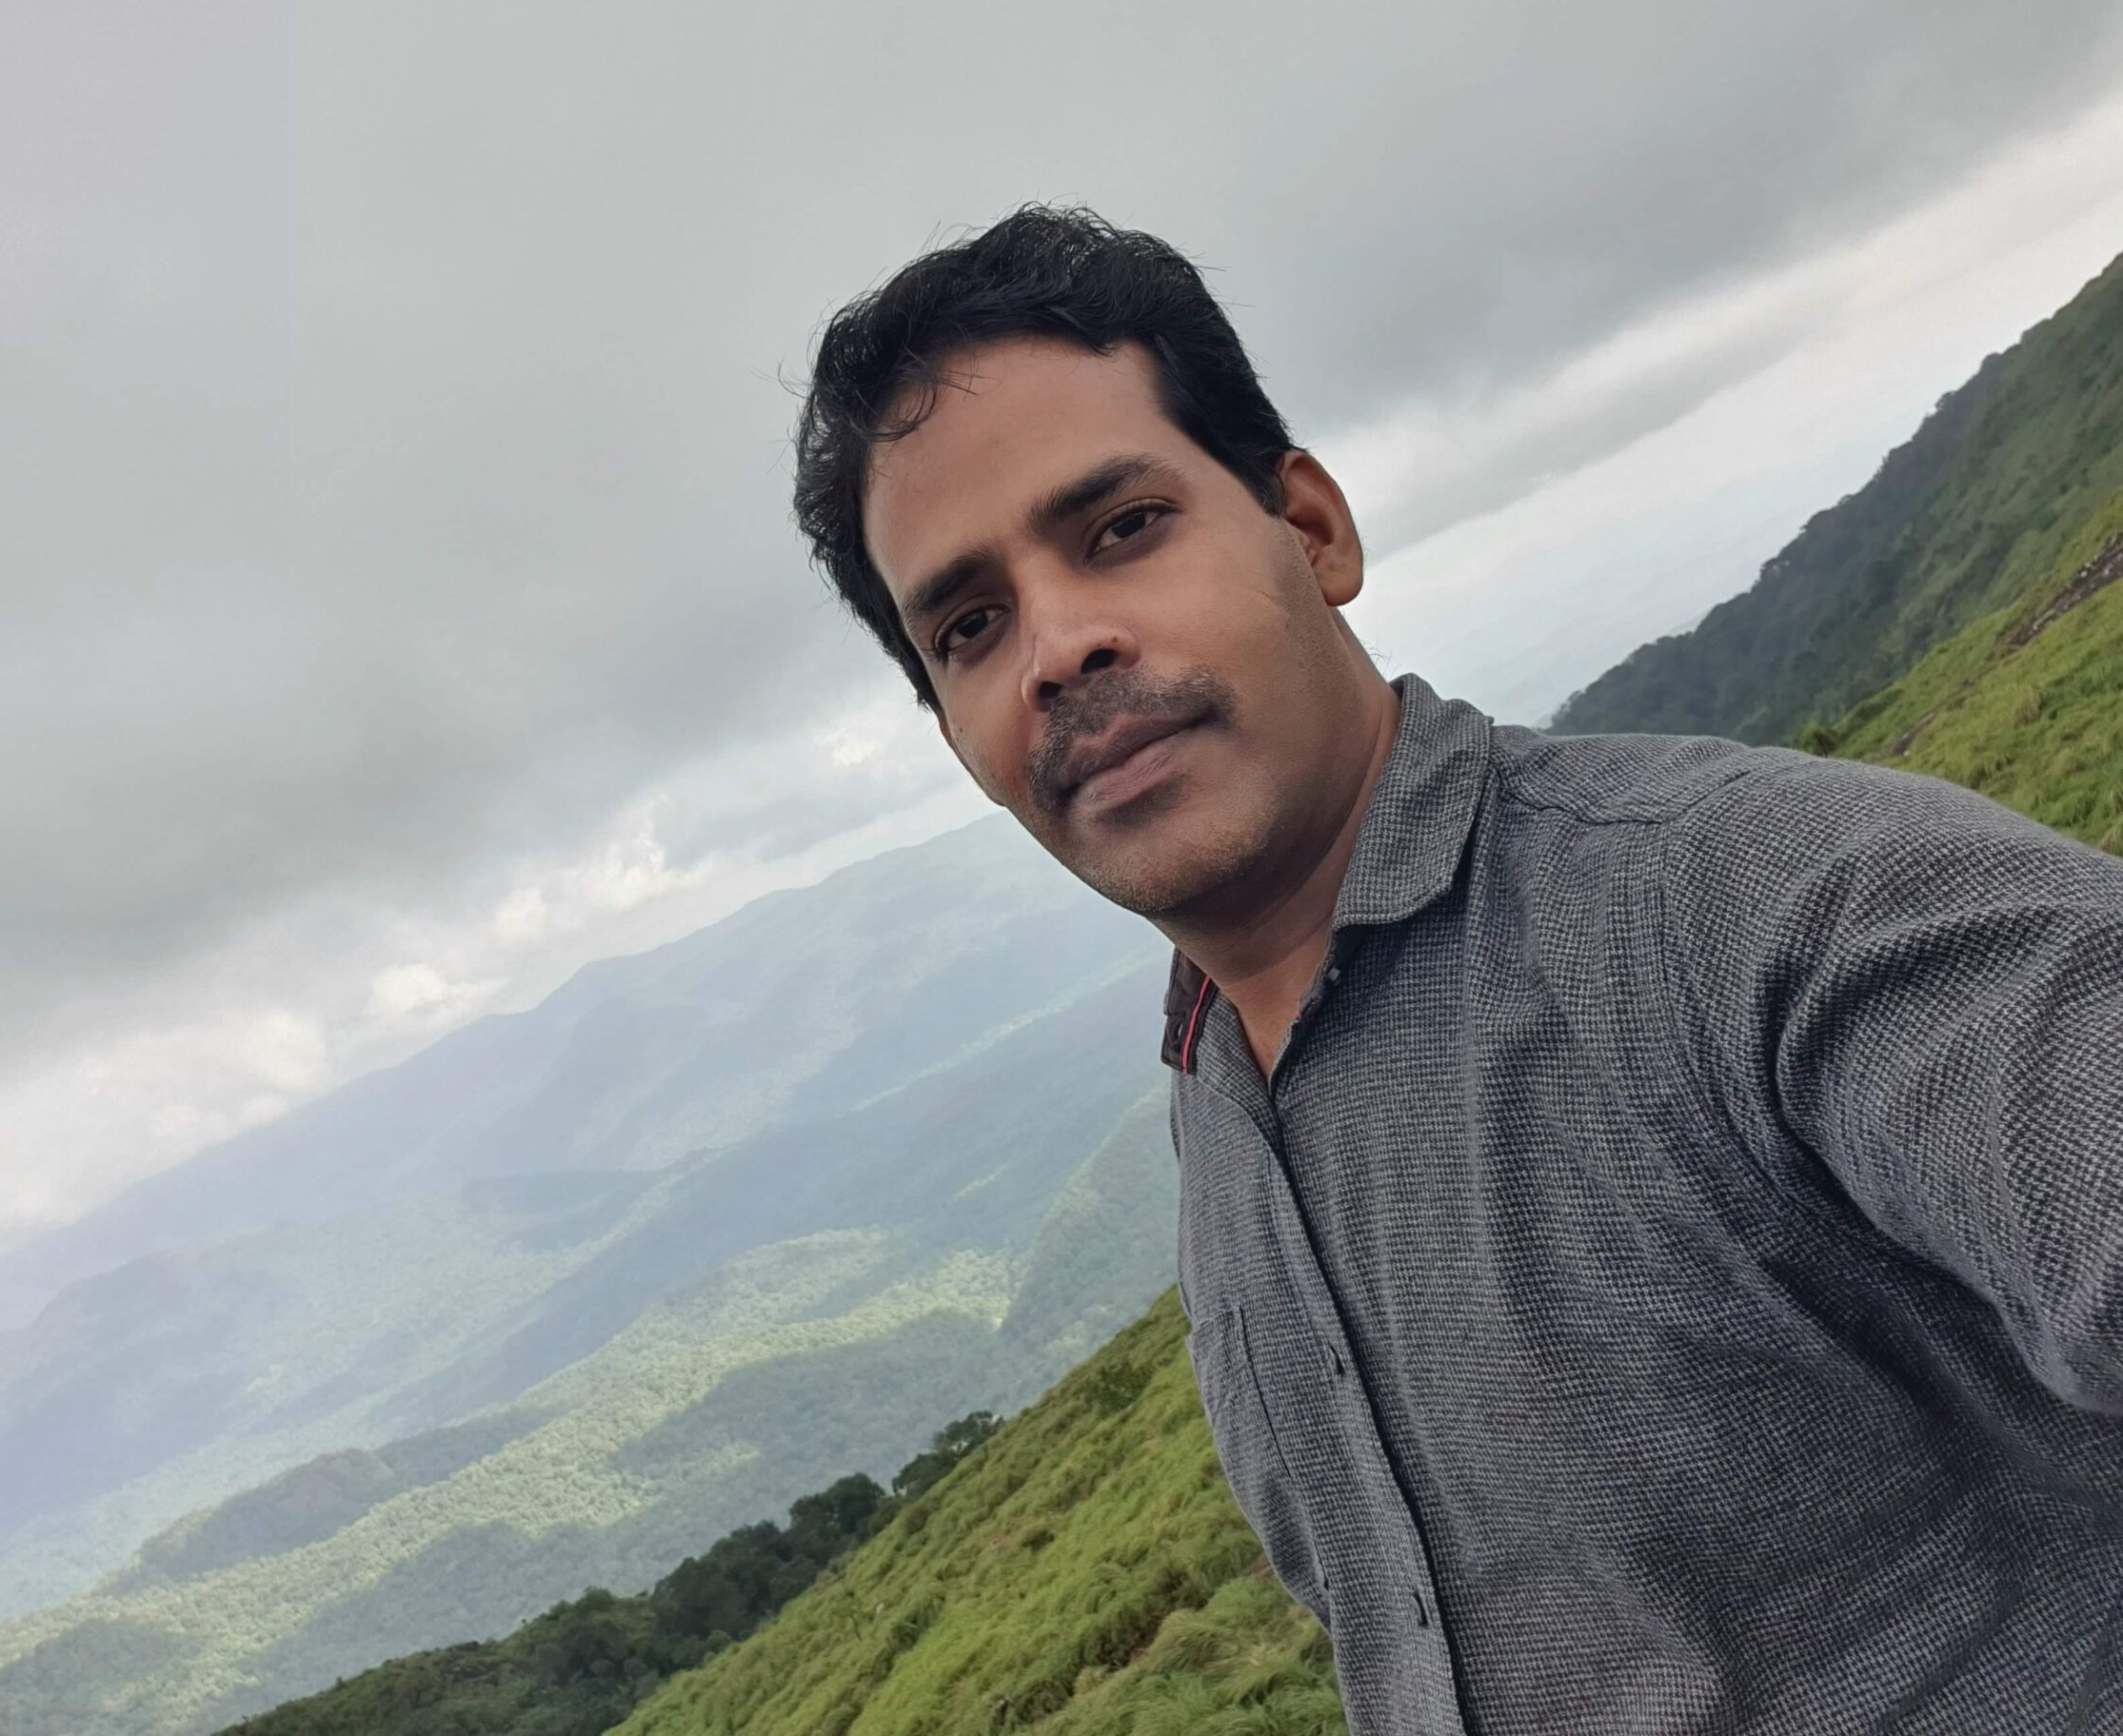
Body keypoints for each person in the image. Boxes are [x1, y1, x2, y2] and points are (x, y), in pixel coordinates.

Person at [787, 205, 2123, 1734]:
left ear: (1308, 527)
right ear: (961, 736)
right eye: (969, 624)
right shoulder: (1222, 1120)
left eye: (1121, 529)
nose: (1058, 647)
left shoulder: (1749, 904)